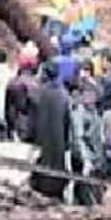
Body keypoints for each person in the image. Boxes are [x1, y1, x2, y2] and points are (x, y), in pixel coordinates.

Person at [28, 61, 72, 200]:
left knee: (42, 165)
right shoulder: (64, 95)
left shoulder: (38, 93)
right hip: (58, 139)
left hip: (41, 138)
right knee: (56, 166)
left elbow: (32, 119)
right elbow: (67, 121)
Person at [69, 83, 106, 207]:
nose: (90, 99)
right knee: (83, 192)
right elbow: (78, 138)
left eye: (92, 95)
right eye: (87, 95)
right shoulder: (79, 114)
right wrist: (86, 160)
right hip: (83, 159)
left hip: (95, 158)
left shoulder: (94, 113)